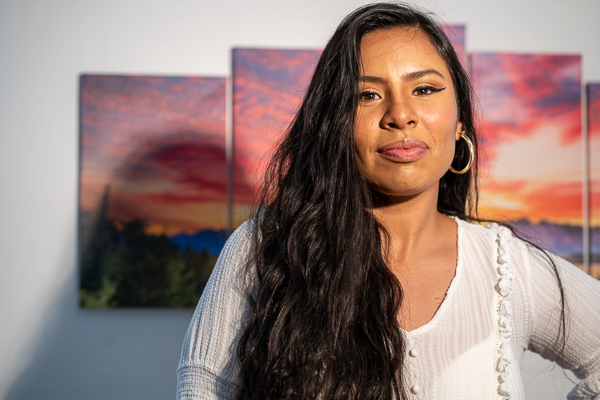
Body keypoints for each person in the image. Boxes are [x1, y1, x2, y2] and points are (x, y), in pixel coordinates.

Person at [176, 3, 600, 399]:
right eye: (368, 95)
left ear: (459, 121)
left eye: (425, 89)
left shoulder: (506, 268)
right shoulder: (263, 250)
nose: (400, 114)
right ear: (334, 124)